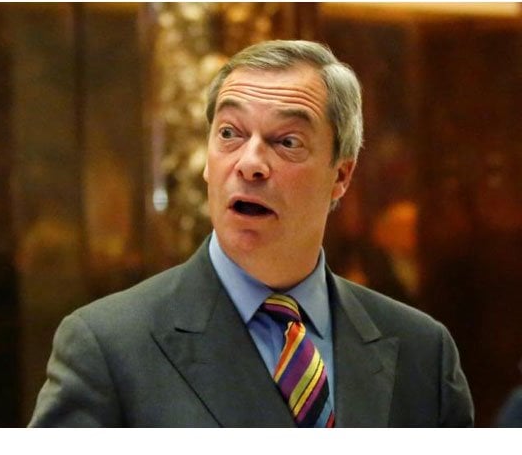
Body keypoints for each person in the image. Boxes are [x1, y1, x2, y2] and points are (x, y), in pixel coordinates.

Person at [29, 40, 474, 427]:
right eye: (229, 134)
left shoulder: (423, 352)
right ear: (206, 160)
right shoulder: (109, 346)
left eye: (287, 142)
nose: (249, 163)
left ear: (341, 175)